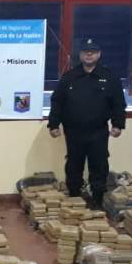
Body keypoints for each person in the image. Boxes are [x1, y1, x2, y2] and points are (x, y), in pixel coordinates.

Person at [47, 37, 127, 210]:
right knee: (73, 164)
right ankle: (74, 197)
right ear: (81, 54)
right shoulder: (70, 77)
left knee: (99, 165)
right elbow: (57, 101)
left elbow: (118, 103)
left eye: (93, 52)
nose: (89, 55)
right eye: (86, 52)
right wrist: (53, 124)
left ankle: (97, 199)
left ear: (99, 54)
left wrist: (118, 124)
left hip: (98, 131)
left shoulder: (109, 77)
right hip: (73, 131)